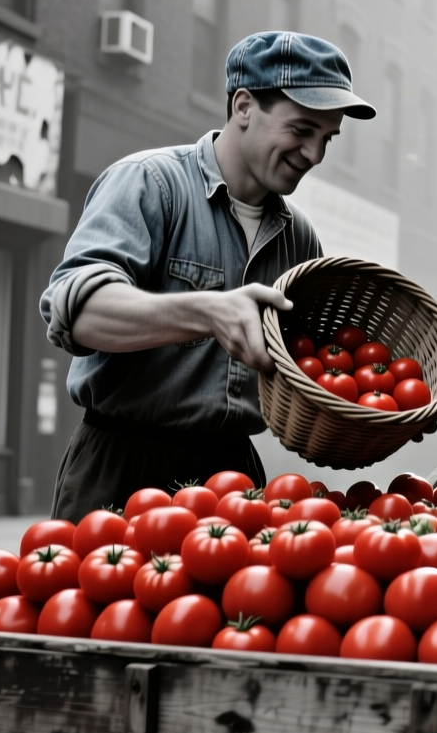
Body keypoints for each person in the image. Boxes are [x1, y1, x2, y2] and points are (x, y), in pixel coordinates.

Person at [40, 32, 375, 521]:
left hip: (233, 474)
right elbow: (79, 314)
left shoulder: (300, 238)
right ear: (243, 106)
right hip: (121, 465)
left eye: (326, 138)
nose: (314, 154)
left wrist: (370, 412)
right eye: (302, 129)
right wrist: (209, 311)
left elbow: (310, 373)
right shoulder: (151, 183)